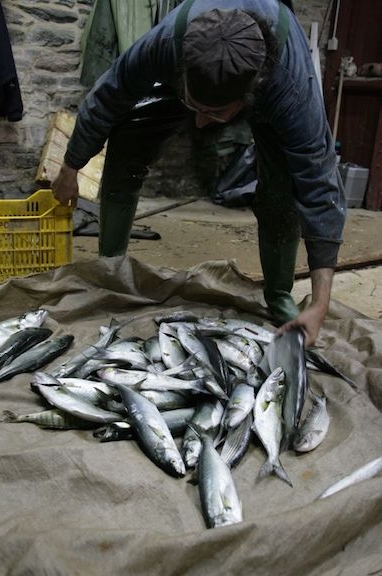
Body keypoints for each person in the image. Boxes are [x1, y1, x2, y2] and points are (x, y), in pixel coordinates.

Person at [52, 0, 346, 348]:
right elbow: (106, 97)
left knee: (282, 189)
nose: (200, 123)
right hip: (187, 67)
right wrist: (70, 168)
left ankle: (279, 294)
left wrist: (320, 303)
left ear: (250, 93)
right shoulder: (165, 45)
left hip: (271, 85)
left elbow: (319, 187)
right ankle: (111, 269)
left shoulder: (291, 88)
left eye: (216, 113)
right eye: (196, 107)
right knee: (127, 139)